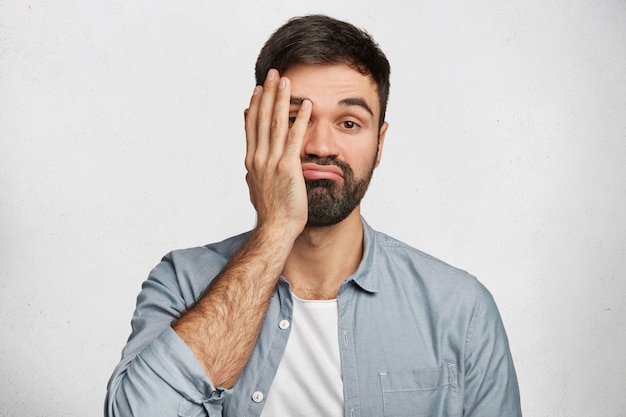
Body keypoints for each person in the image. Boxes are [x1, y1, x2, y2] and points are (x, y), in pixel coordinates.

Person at [105, 14, 521, 417]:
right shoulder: (182, 283)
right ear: (258, 131)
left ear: (380, 143)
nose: (321, 145)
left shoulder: (462, 310)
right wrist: (276, 229)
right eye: (294, 118)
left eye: (349, 123)